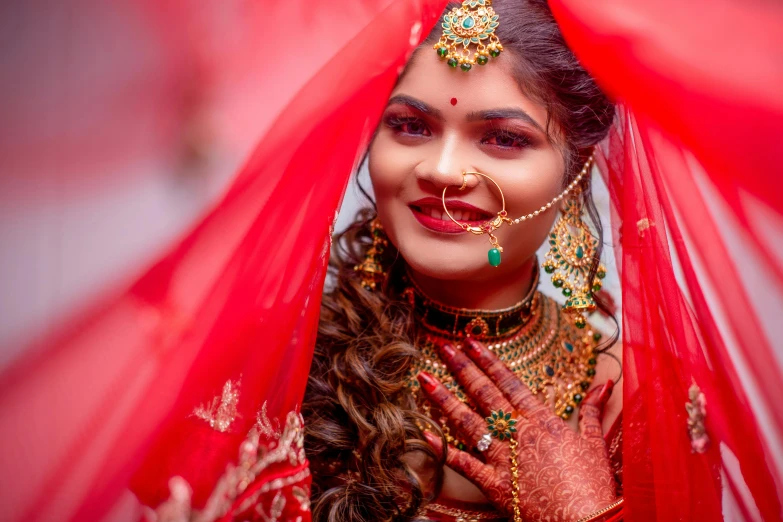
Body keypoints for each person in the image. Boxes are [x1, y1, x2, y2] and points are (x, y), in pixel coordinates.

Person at [303, 1, 623, 520]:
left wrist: (583, 513)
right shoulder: (291, 361)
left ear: (574, 171)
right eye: (410, 126)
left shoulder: (632, 395)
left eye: (503, 138)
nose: (444, 171)